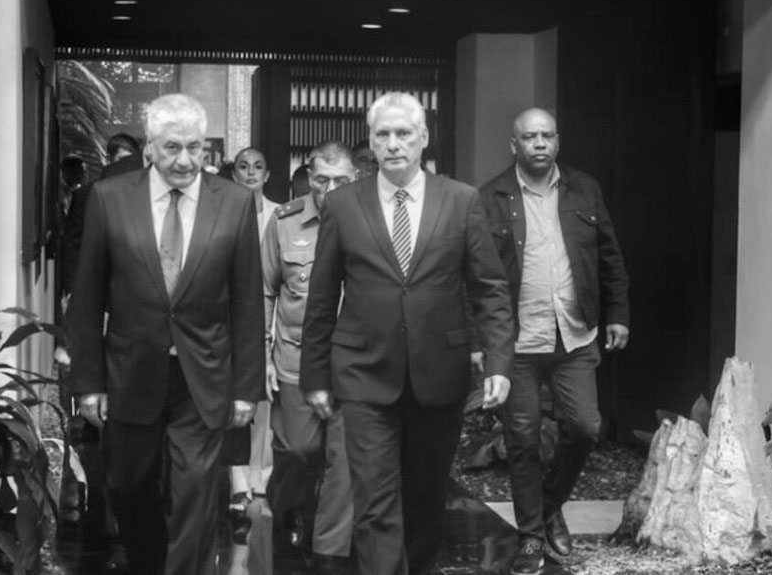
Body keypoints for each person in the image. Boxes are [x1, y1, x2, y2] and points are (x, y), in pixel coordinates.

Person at [300, 92, 515, 575]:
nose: (393, 144)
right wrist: (315, 377)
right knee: (375, 503)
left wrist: (499, 362)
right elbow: (322, 297)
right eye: (383, 134)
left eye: (403, 133)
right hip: (363, 374)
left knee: (424, 498)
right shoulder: (343, 204)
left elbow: (490, 288)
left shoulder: (461, 200)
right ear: (371, 142)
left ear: (423, 138)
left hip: (439, 375)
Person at [67, 93, 265, 575]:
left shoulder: (233, 203)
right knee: (127, 487)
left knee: (196, 491)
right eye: (173, 147)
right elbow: (87, 297)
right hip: (131, 371)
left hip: (203, 375)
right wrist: (88, 383)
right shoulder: (110, 198)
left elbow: (247, 302)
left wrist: (247, 388)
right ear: (150, 148)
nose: (185, 160)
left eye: (195, 148)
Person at [478, 108, 630, 575]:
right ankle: (530, 537)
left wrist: (618, 314)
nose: (539, 143)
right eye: (530, 137)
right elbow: (476, 275)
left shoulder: (585, 188)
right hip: (518, 342)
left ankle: (548, 506)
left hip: (574, 334)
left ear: (558, 141)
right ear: (515, 145)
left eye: (547, 135)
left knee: (585, 427)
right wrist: (480, 342)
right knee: (522, 440)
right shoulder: (491, 196)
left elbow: (609, 256)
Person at [262, 141, 356, 575]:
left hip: (352, 361)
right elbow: (264, 290)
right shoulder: (284, 223)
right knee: (299, 451)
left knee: (343, 460)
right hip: (296, 358)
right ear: (308, 177)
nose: (330, 189)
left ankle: (329, 553)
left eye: (341, 180)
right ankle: (288, 510)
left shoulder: (369, 219)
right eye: (322, 179)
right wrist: (262, 354)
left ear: (355, 179)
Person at [223, 146, 279, 513]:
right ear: (234, 174)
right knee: (237, 396)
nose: (250, 172)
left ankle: (263, 474)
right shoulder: (223, 212)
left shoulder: (280, 215)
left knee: (265, 399)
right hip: (231, 316)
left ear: (267, 174)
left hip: (269, 315)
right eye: (243, 166)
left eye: (258, 166)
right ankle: (237, 479)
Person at [61, 133, 142, 298]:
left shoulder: (146, 195)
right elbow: (72, 247)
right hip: (95, 289)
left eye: (131, 161)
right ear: (108, 159)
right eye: (122, 160)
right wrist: (72, 290)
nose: (126, 166)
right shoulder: (85, 196)